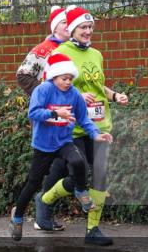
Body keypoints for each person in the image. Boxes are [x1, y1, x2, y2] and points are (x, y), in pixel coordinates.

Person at [41, 6, 128, 246]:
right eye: (83, 27)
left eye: (90, 27)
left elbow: (98, 87)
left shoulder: (96, 54)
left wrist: (114, 96)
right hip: (74, 128)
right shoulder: (60, 52)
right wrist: (77, 96)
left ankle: (93, 230)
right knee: (77, 177)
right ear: (71, 29)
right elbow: (49, 88)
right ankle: (47, 199)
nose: (88, 31)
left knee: (100, 178)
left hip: (100, 125)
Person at [11, 53, 113, 241]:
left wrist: (96, 134)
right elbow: (33, 113)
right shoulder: (43, 90)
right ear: (54, 76)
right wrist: (56, 113)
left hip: (64, 141)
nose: (68, 82)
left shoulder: (74, 94)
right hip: (43, 145)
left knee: (78, 162)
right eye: (64, 79)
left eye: (70, 79)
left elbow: (83, 119)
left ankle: (81, 192)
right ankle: (17, 217)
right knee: (32, 184)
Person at [16, 5, 73, 231]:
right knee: (52, 165)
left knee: (66, 165)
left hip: (70, 117)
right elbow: (23, 75)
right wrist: (46, 99)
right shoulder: (43, 49)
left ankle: (42, 210)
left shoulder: (73, 48)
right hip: (48, 118)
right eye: (64, 22)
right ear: (55, 27)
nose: (68, 26)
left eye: (70, 22)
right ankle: (41, 212)